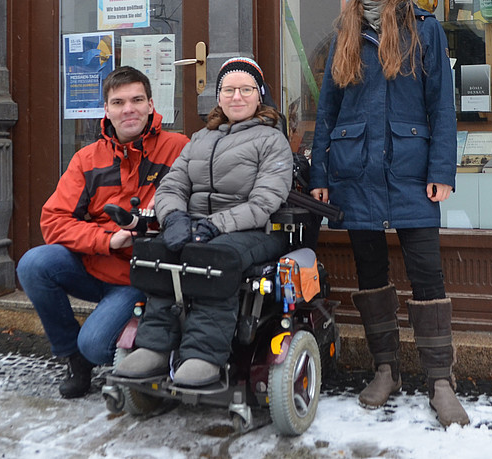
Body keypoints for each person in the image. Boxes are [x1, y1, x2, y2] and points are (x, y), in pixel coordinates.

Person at [309, 0, 469, 428]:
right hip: (355, 172)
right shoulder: (344, 33)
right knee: (371, 274)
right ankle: (386, 370)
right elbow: (327, 110)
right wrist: (320, 173)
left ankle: (440, 380)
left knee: (427, 275)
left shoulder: (425, 30)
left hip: (411, 172)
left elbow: (442, 105)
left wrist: (442, 171)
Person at [115, 57, 293, 387]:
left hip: (252, 230)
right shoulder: (200, 138)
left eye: (245, 89)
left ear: (260, 95)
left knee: (214, 257)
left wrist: (216, 225)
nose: (236, 97)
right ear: (218, 96)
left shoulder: (272, 140)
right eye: (228, 89)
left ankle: (203, 355)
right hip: (196, 224)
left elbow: (264, 202)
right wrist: (175, 218)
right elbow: (172, 186)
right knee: (159, 250)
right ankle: (155, 346)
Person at [17, 66, 189, 398]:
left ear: (151, 104)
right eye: (119, 102)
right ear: (106, 110)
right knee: (33, 264)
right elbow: (53, 220)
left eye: (138, 100)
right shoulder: (87, 159)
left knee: (96, 346)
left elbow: (186, 211)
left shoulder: (177, 149)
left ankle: (123, 351)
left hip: (139, 278)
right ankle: (72, 356)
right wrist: (107, 240)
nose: (129, 109)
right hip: (95, 264)